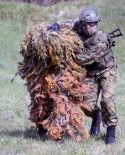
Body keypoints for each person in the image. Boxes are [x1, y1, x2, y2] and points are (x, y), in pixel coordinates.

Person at [43, 8, 119, 144]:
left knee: (107, 101)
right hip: (90, 73)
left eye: (93, 24)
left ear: (97, 23)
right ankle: (97, 116)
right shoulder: (80, 25)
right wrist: (57, 25)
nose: (89, 27)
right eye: (86, 24)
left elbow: (83, 59)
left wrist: (65, 55)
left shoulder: (100, 40)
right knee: (86, 106)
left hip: (106, 71)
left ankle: (111, 132)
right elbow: (70, 23)